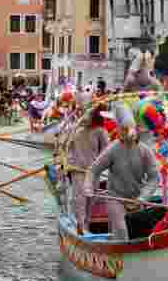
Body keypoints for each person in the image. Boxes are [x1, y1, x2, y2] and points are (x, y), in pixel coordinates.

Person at [89, 122, 159, 242]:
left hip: (136, 198)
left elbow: (154, 178)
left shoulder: (145, 151)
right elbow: (94, 170)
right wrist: (89, 188)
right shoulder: (112, 149)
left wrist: (142, 198)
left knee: (139, 235)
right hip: (115, 197)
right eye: (123, 129)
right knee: (122, 231)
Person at [67, 94, 110, 234]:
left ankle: (85, 224)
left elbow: (106, 152)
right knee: (80, 199)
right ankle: (81, 225)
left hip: (93, 171)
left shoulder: (100, 131)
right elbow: (67, 147)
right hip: (76, 169)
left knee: (91, 200)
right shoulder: (75, 128)